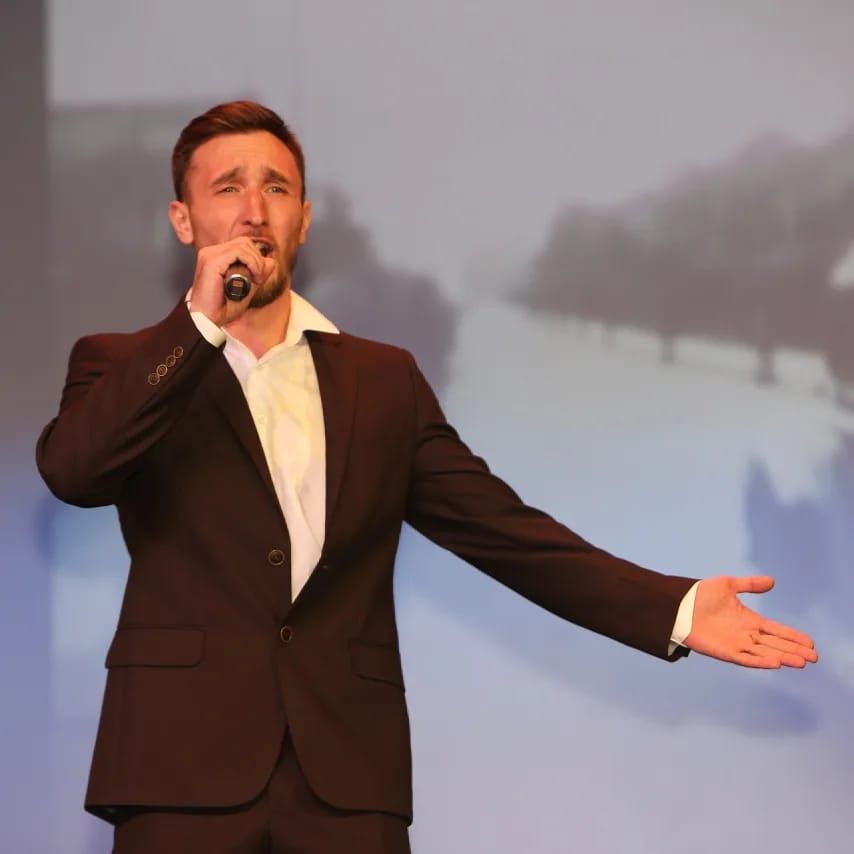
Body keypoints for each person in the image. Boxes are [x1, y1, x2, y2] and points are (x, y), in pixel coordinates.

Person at [36, 101, 818, 854]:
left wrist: (672, 606)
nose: (252, 210)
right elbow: (75, 469)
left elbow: (503, 531)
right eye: (227, 187)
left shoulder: (382, 381)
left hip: (346, 783)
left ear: (303, 218)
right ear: (183, 221)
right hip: (178, 774)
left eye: (275, 187)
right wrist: (199, 327)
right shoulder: (121, 364)